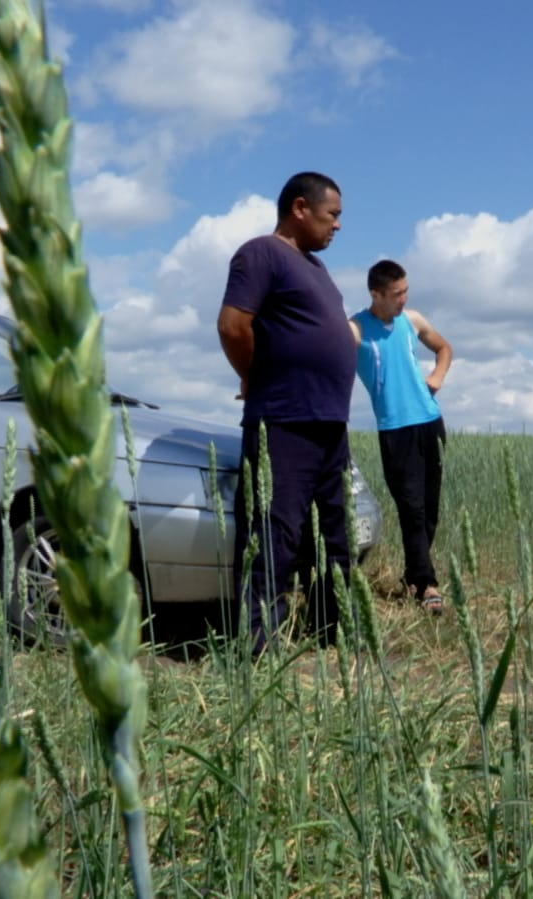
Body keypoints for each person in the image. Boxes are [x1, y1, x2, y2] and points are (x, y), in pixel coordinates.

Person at [216, 171, 355, 650]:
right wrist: (252, 376)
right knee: (275, 536)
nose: (337, 226)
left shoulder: (315, 267)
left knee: (337, 538)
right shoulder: (262, 253)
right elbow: (234, 325)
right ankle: (258, 647)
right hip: (284, 420)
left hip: (329, 425)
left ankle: (330, 636)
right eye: (331, 215)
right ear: (300, 208)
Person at [348, 259, 453, 614]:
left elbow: (444, 348)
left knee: (429, 510)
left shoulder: (413, 320)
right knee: (411, 508)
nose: (403, 299)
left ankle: (413, 578)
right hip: (395, 431)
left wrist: (436, 377)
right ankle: (427, 585)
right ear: (375, 294)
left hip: (429, 421)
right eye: (396, 295)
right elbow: (326, 360)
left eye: (406, 291)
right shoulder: (356, 329)